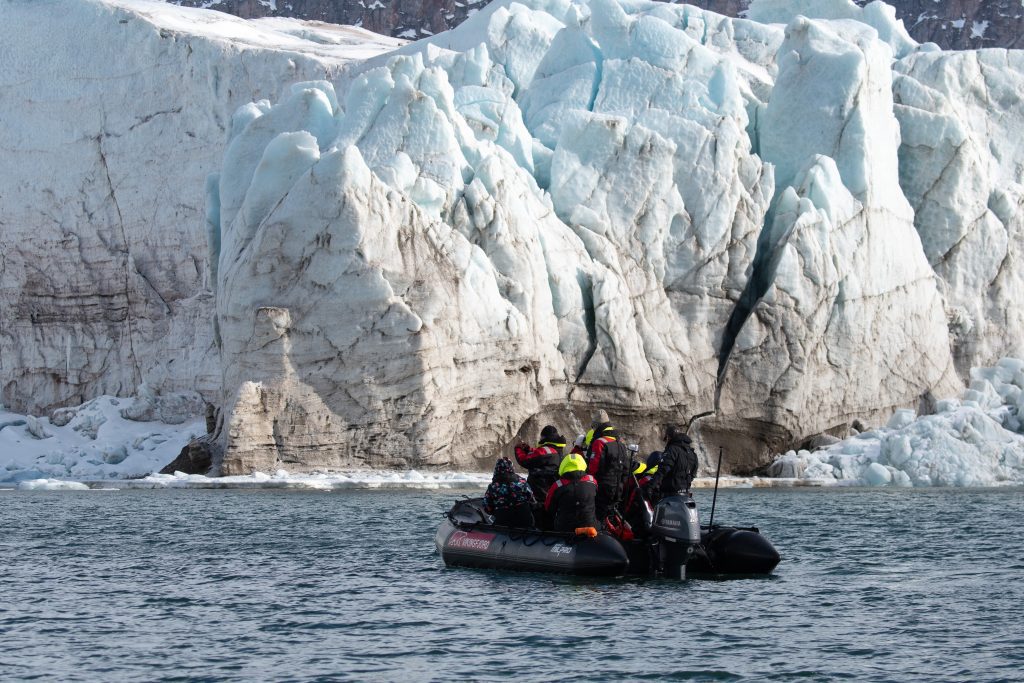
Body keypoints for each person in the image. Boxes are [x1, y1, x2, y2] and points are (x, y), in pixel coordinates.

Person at [584, 409, 630, 522]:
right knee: (611, 517)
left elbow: (593, 468)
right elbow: (626, 468)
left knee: (599, 517)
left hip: (602, 489)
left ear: (597, 426)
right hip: (617, 488)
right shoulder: (620, 443)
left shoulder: (599, 442)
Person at [544, 453, 598, 535]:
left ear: (563, 466)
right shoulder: (592, 481)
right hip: (591, 526)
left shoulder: (558, 485)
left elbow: (548, 508)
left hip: (565, 529)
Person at [647, 426, 699, 502]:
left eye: (666, 439)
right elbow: (694, 472)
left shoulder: (672, 449)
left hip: (670, 494)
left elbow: (663, 469)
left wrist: (650, 486)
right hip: (685, 494)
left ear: (668, 437)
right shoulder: (691, 452)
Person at [514, 425, 565, 502]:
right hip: (551, 490)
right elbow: (540, 455)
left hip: (540, 491)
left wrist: (518, 448)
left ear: (544, 437)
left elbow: (524, 460)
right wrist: (528, 449)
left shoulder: (545, 451)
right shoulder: (557, 449)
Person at [483, 456, 535, 528]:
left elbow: (487, 506)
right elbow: (531, 498)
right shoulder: (522, 482)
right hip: (525, 520)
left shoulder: (493, 486)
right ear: (511, 467)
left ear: (497, 469)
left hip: (503, 522)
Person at [622, 451, 662, 534]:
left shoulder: (647, 479)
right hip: (658, 518)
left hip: (642, 520)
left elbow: (634, 499)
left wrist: (625, 515)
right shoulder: (664, 478)